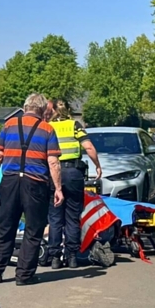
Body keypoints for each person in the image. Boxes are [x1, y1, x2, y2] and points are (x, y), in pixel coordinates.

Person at [0, 94, 63, 286]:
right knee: (33, 229)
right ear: (42, 109)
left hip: (10, 181)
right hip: (35, 183)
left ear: (25, 107)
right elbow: (53, 162)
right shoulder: (47, 129)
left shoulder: (9, 125)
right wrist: (58, 189)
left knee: (5, 226)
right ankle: (24, 275)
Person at [46, 99, 102, 269]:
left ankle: (55, 257)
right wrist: (98, 166)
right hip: (73, 174)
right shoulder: (74, 125)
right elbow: (89, 147)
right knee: (72, 216)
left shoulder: (48, 127)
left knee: (55, 217)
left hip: (53, 173)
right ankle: (72, 256)